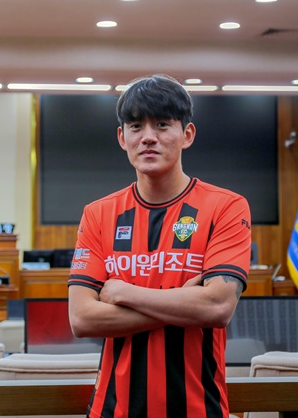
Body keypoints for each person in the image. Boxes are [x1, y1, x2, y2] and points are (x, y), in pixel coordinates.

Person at [68, 74, 252, 418]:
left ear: (187, 135)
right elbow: (82, 318)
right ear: (122, 138)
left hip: (200, 409)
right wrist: (185, 303)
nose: (148, 137)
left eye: (163, 124)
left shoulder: (227, 207)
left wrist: (123, 292)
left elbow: (217, 308)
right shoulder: (97, 214)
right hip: (112, 410)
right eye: (136, 126)